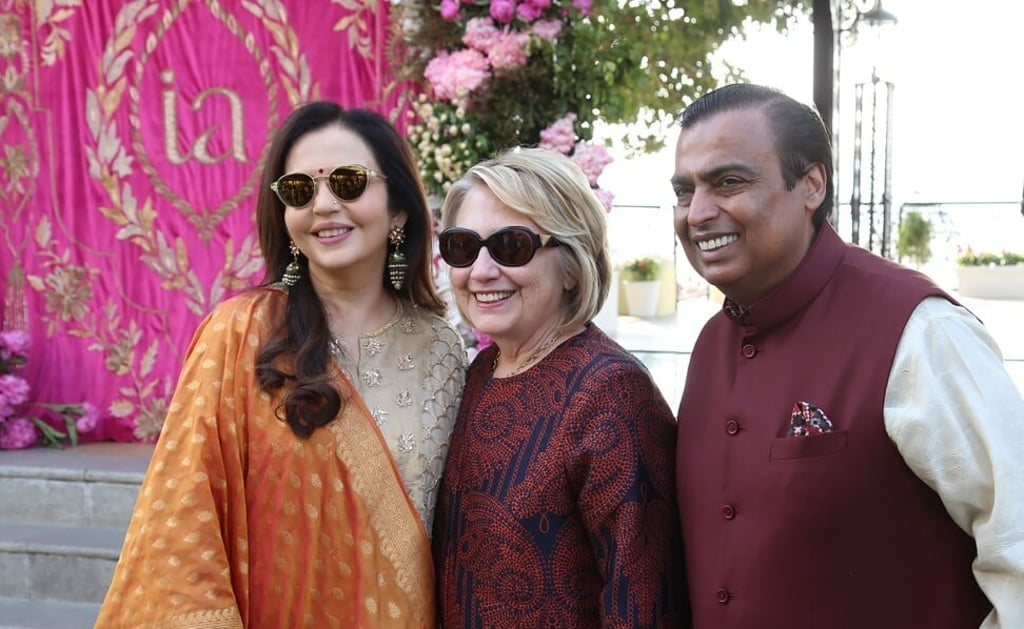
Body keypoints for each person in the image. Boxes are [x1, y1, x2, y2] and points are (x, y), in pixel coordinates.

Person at [96, 102, 467, 627]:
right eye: (299, 190)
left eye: (348, 183)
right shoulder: (240, 334)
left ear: (399, 209)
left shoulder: (442, 350)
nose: (323, 205)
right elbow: (180, 520)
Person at [671, 83, 1024, 628]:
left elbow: (1017, 538)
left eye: (729, 182)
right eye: (684, 190)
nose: (697, 213)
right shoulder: (709, 347)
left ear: (811, 185)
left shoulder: (921, 331)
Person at [432, 147, 687, 627]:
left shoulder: (611, 392)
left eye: (511, 246)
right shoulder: (478, 374)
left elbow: (643, 603)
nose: (481, 271)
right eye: (463, 247)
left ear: (572, 265)